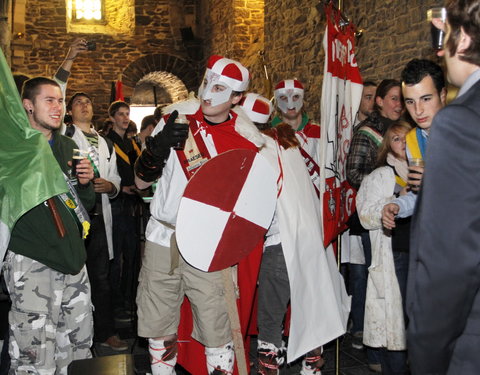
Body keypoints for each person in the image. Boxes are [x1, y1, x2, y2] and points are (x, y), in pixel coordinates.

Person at [134, 55, 265, 374]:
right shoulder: (174, 119)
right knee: (158, 329)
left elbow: (250, 209)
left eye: (220, 88)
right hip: (162, 237)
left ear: (237, 98)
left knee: (217, 333)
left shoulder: (247, 142)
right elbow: (140, 182)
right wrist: (157, 148)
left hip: (208, 247)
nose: (208, 93)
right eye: (207, 82)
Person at [238, 93, 347, 375]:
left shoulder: (261, 150)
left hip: (281, 242)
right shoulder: (287, 143)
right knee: (309, 302)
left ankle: (268, 365)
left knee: (271, 312)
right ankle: (312, 363)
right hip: (311, 238)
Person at [406, 1, 480, 373]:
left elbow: (450, 263)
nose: (440, 49)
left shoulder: (462, 121)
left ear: (463, 39)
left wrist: (424, 355)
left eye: (445, 36)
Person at [3, 77, 95, 373]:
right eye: (49, 100)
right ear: (28, 105)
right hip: (32, 261)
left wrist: (85, 184)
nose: (58, 108)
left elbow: (84, 206)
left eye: (60, 101)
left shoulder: (68, 145)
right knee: (35, 355)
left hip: (73, 262)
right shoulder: (13, 150)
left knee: (78, 348)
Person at [346, 79, 402, 371]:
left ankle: (396, 347)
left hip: (398, 218)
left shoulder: (406, 129)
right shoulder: (367, 132)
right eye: (393, 98)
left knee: (397, 289)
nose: (398, 104)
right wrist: (383, 179)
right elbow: (352, 172)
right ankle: (375, 350)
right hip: (372, 215)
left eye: (400, 99)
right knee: (374, 283)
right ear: (379, 101)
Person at [64, 92, 127, 351]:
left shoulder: (105, 143)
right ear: (69, 111)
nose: (84, 105)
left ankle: (104, 332)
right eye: (78, 102)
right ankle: (72, 336)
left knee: (101, 278)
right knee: (73, 276)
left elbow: (117, 179)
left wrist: (110, 186)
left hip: (99, 218)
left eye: (88, 101)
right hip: (74, 217)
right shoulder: (64, 137)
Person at [356, 121, 412, 375]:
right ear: (388, 145)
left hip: (418, 253)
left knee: (413, 319)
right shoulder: (380, 176)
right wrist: (396, 201)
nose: (403, 144)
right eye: (397, 139)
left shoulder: (423, 171)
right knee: (395, 321)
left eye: (407, 139)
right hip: (393, 253)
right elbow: (365, 216)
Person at [381, 59, 446, 230]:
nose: (418, 110)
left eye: (425, 99)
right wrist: (398, 206)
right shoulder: (412, 140)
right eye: (410, 102)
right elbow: (419, 193)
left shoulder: (467, 129)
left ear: (443, 95)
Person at [105, 100, 142, 321]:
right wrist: (122, 188)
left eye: (127, 114)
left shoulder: (133, 143)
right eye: (120, 114)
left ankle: (130, 299)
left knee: (133, 255)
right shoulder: (107, 142)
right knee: (116, 257)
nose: (125, 118)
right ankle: (116, 303)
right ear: (112, 118)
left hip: (133, 205)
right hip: (116, 204)